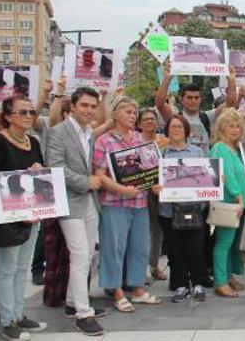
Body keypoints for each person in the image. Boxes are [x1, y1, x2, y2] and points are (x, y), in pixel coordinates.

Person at [46, 87, 106, 335]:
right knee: (81, 255)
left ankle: (73, 303)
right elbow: (55, 167)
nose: (89, 110)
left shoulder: (89, 132)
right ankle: (83, 313)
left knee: (88, 255)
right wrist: (86, 181)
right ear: (72, 106)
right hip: (70, 202)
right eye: (84, 105)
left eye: (93, 106)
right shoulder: (58, 132)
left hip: (89, 202)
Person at [93, 97, 162, 313]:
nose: (133, 116)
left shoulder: (141, 139)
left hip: (139, 202)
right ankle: (116, 290)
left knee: (140, 247)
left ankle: (137, 288)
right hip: (114, 202)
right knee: (114, 248)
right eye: (128, 112)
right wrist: (121, 189)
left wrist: (155, 185)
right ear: (116, 115)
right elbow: (99, 175)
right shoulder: (104, 141)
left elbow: (151, 171)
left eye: (134, 112)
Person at [0, 96, 49, 340]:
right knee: (6, 270)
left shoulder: (33, 142)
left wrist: (37, 172)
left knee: (20, 268)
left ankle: (18, 313)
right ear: (8, 116)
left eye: (31, 112)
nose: (28, 116)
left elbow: (42, 176)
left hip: (31, 215)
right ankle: (7, 322)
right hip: (7, 218)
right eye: (22, 112)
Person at [158, 115, 210, 303]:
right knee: (175, 250)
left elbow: (208, 176)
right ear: (167, 130)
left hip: (195, 208)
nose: (176, 129)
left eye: (180, 126)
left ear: (186, 130)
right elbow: (156, 180)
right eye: (173, 127)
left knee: (195, 248)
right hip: (169, 211)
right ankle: (180, 285)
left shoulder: (197, 152)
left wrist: (216, 180)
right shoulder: (161, 154)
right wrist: (157, 188)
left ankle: (198, 284)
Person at [209, 109, 245, 298]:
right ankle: (220, 282)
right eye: (231, 126)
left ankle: (227, 277)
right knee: (223, 243)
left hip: (236, 202)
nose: (235, 129)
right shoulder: (220, 147)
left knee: (231, 242)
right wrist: (238, 197)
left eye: (238, 126)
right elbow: (225, 175)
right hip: (229, 202)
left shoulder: (233, 148)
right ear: (221, 128)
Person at [155, 59, 237, 152]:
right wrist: (166, 79)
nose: (193, 101)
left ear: (200, 99)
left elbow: (230, 103)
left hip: (205, 163)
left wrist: (231, 80)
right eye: (189, 97)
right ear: (181, 100)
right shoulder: (175, 117)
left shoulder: (208, 116)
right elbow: (160, 104)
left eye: (196, 97)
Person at [138, 108, 169, 283]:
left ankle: (154, 265)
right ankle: (141, 269)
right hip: (142, 190)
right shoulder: (135, 141)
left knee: (158, 229)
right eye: (146, 119)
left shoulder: (164, 141)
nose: (150, 122)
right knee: (143, 230)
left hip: (161, 189)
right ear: (140, 123)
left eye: (153, 119)